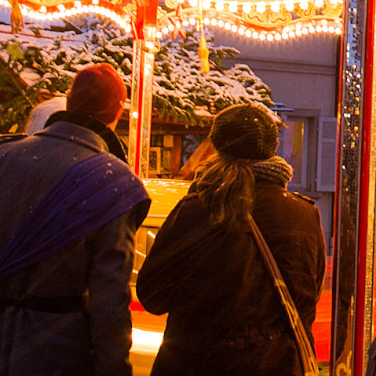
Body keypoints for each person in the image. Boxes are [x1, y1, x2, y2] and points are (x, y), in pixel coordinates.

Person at [0, 63, 151, 376]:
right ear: (117, 113)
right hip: (58, 353)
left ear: (69, 100)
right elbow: (109, 301)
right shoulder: (112, 183)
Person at [136, 104, 325, 376]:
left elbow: (152, 295)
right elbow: (307, 300)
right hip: (277, 364)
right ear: (272, 149)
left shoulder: (197, 210)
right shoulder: (304, 215)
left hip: (198, 364)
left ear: (217, 147)